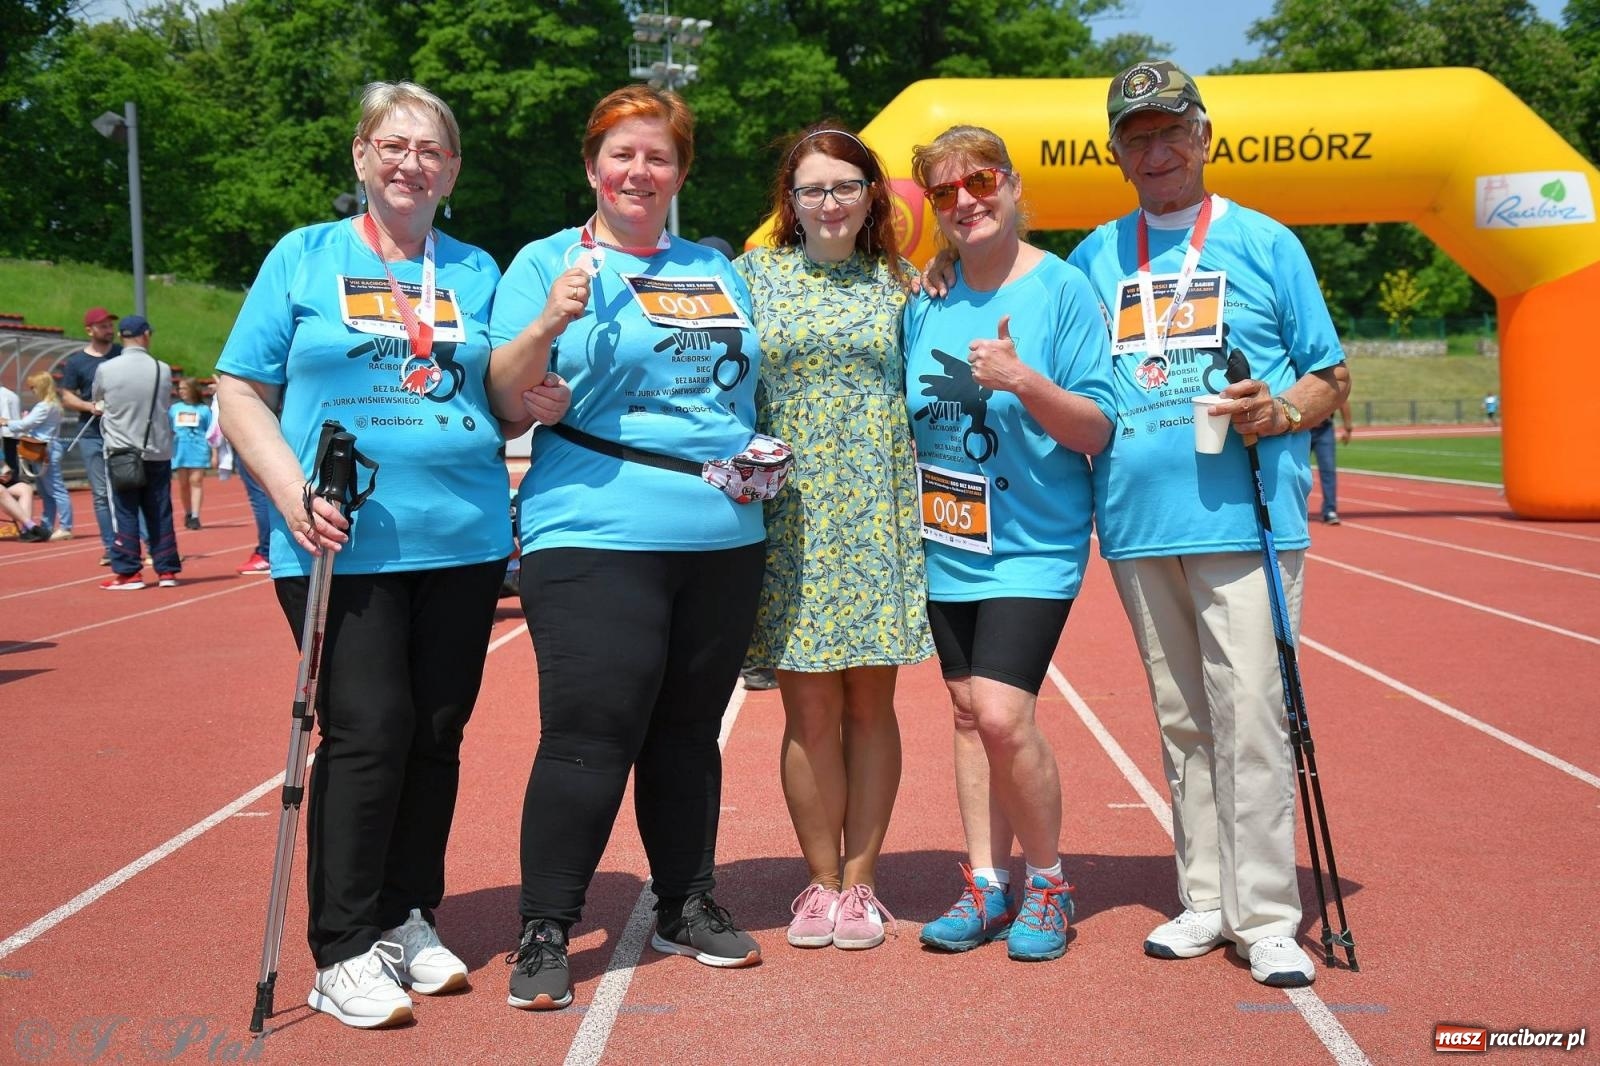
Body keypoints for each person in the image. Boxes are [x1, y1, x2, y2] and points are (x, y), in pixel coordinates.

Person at [215, 80, 568, 1030]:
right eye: (394, 145)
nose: (411, 162)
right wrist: (291, 494)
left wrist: (528, 400)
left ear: (451, 171)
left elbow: (494, 391)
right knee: (369, 730)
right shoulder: (303, 257)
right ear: (362, 156)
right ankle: (339, 946)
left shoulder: (477, 269)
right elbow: (239, 389)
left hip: (461, 536)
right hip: (343, 537)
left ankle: (407, 914)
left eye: (432, 150)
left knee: (436, 734)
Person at [1067, 61, 1352, 987]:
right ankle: (1205, 898)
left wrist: (1281, 413)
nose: (1155, 151)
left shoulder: (1267, 244)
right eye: (1135, 137)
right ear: (1116, 154)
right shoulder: (1092, 258)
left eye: (1169, 131)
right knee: (1183, 719)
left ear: (1204, 134)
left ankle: (1267, 915)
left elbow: (1329, 376)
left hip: (1245, 519)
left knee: (1254, 718)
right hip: (1140, 525)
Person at [488, 84, 766, 1012]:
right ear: (592, 166)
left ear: (681, 174)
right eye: (622, 155)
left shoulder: (720, 268)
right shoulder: (543, 263)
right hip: (594, 529)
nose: (639, 172)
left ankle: (687, 901)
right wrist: (546, 331)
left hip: (724, 532)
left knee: (689, 735)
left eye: (658, 158)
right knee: (589, 732)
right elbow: (500, 391)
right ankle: (545, 924)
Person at [905, 126, 1114, 964]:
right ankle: (987, 884)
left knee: (1000, 713)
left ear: (1013, 184)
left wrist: (1024, 380)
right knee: (964, 716)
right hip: (945, 537)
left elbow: (1097, 429)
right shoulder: (926, 298)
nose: (965, 202)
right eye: (946, 193)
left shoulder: (1062, 291)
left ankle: (1051, 884)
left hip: (1034, 543)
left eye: (980, 182)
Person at [735, 122, 933, 951]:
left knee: (870, 705)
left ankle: (863, 884)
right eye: (812, 188)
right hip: (790, 518)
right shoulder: (750, 278)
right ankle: (818, 883)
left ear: (871, 198)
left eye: (845, 186)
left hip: (877, 514)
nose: (828, 201)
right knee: (808, 708)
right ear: (791, 200)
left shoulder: (903, 284)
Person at [94, 316, 181, 588]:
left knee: (125, 511)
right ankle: (166, 569)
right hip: (156, 449)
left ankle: (129, 571)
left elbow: (98, 399)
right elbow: (164, 403)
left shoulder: (106, 369)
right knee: (160, 509)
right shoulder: (162, 369)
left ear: (122, 336)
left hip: (121, 450)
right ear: (145, 335)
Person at [55, 307, 125, 562]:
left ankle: (143, 543)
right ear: (90, 330)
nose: (109, 330)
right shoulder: (76, 362)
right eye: (103, 326)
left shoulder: (122, 354)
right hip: (92, 434)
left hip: (122, 432)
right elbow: (66, 395)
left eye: (110, 325)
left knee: (129, 488)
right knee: (100, 493)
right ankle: (111, 547)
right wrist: (89, 406)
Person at [0, 371, 71, 541]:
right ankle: (45, 525)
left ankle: (65, 526)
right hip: (42, 449)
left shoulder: (44, 406)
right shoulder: (51, 405)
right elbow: (30, 424)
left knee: (55, 489)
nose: (31, 390)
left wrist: (7, 421)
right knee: (47, 491)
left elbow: (26, 424)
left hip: (43, 450)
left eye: (33, 387)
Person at [169, 377, 212, 530]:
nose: (181, 391)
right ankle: (187, 512)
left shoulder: (204, 410)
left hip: (198, 449)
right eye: (180, 389)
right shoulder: (174, 409)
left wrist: (214, 453)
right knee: (183, 484)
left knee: (196, 481)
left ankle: (195, 515)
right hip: (180, 450)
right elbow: (168, 429)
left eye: (184, 388)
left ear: (193, 390)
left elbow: (211, 432)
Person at [1309, 399, 1352, 524]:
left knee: (1328, 470)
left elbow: (1342, 400)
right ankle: (1297, 510)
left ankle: (1329, 510)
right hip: (1302, 429)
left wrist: (1348, 428)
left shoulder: (1328, 380)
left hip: (1324, 429)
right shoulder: (1297, 378)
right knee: (1297, 471)